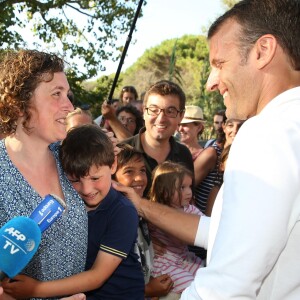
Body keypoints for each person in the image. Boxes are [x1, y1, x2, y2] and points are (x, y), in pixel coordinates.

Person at [114, 0, 300, 299]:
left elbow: (228, 284)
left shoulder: (267, 133)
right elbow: (230, 233)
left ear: (263, 51)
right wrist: (141, 205)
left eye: (219, 63)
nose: (212, 82)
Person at [3, 125, 144, 299]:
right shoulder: (71, 201)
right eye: (74, 180)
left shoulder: (123, 212)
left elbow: (97, 276)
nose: (86, 189)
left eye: (95, 178)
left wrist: (35, 290)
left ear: (113, 164)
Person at [0, 50, 88, 300]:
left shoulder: (70, 158)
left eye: (67, 94)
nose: (69, 106)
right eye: (56, 94)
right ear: (20, 104)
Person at [113, 144, 174, 299]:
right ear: (112, 178)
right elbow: (107, 280)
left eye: (142, 170)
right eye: (129, 171)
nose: (140, 177)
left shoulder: (138, 213)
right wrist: (145, 290)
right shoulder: (115, 219)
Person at [122, 80, 194, 195]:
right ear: (144, 112)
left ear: (181, 116)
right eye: (154, 110)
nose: (161, 118)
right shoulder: (121, 151)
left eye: (170, 111)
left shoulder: (183, 154)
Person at [148, 161, 204, 299]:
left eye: (190, 186)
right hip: (165, 263)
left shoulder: (189, 209)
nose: (189, 192)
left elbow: (205, 224)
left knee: (205, 275)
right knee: (191, 286)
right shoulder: (156, 211)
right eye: (182, 188)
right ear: (164, 190)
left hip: (184, 257)